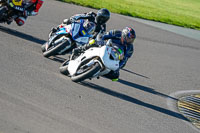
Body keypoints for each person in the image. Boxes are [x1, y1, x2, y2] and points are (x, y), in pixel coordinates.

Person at [72, 27, 136, 81]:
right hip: (104, 45)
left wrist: (117, 67)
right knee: (93, 42)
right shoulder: (116, 33)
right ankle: (81, 49)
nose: (130, 41)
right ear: (124, 35)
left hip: (113, 56)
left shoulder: (130, 48)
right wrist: (100, 41)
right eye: (129, 38)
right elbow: (103, 36)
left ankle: (98, 72)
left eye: (132, 39)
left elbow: (124, 61)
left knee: (115, 77)